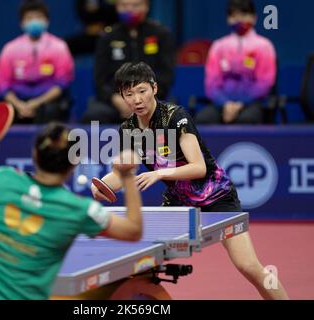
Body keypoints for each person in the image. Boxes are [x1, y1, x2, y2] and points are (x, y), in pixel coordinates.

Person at [91, 62, 289, 300]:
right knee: (140, 263)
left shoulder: (176, 117)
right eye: (129, 94)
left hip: (217, 197)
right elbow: (125, 172)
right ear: (122, 96)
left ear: (154, 88)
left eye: (142, 91)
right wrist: (102, 184)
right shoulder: (129, 129)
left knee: (248, 266)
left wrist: (160, 173)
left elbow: (198, 167)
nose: (136, 99)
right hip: (179, 201)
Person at [0, 122, 142, 300]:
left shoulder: (0, 179)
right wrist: (127, 175)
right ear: (74, 165)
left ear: (34, 154)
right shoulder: (79, 209)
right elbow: (133, 230)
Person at [82, 0, 176, 124]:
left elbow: (166, 76)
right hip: (116, 102)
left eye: (136, 5)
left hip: (152, 99)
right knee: (93, 116)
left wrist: (144, 97)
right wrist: (117, 99)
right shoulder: (106, 37)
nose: (129, 10)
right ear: (117, 7)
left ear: (146, 6)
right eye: (124, 5)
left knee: (173, 117)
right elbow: (100, 80)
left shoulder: (161, 34)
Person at [195, 0, 277, 125]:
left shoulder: (264, 46)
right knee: (203, 119)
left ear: (254, 18)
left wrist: (241, 103)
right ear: (228, 19)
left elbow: (264, 83)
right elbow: (211, 84)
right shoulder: (219, 46)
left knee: (247, 119)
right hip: (221, 104)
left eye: (244, 14)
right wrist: (225, 104)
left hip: (252, 103)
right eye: (234, 16)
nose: (239, 20)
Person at [0, 0, 75, 124]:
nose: (34, 21)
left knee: (51, 111)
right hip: (18, 101)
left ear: (47, 21)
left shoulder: (59, 47)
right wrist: (19, 105)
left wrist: (36, 103)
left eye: (38, 17)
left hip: (47, 101)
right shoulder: (10, 49)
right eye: (29, 18)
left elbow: (62, 83)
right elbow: (4, 85)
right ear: (22, 23)